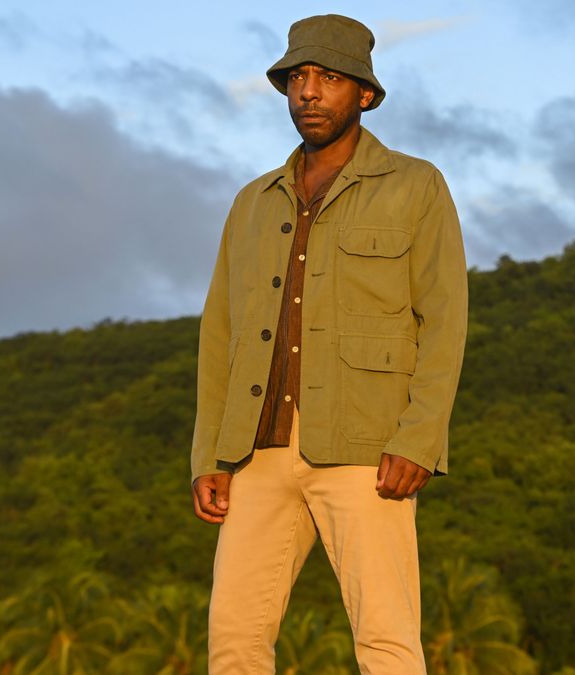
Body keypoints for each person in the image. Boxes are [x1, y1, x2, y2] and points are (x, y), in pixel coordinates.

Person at [190, 13, 468, 674]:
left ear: (365, 95)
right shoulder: (252, 203)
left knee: (386, 641)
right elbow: (218, 333)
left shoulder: (415, 186)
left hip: (366, 449)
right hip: (257, 451)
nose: (310, 92)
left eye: (330, 78)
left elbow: (445, 319)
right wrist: (208, 452)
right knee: (233, 641)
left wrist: (418, 439)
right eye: (299, 78)